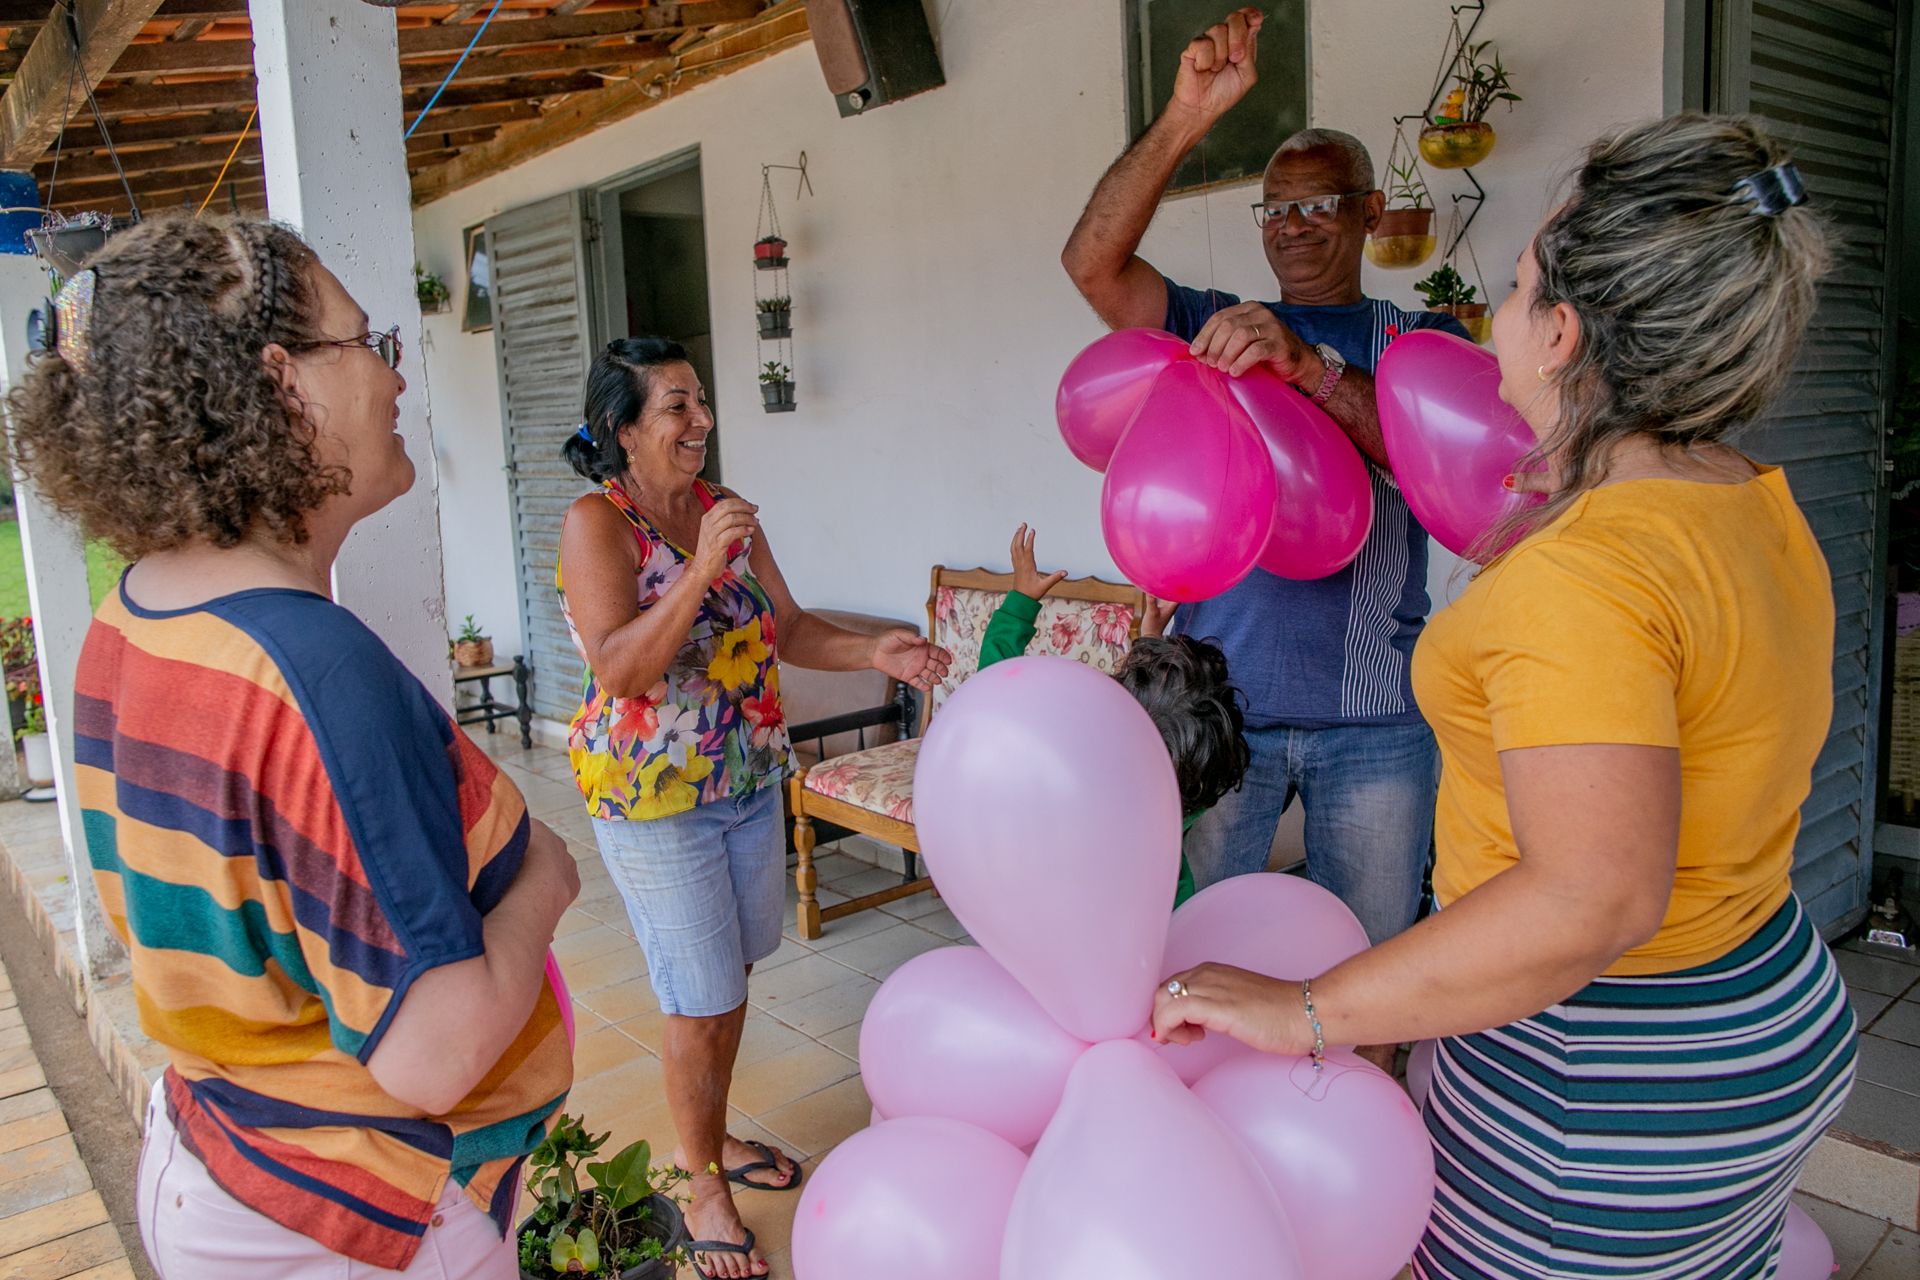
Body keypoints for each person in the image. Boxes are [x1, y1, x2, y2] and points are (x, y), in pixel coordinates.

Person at [1150, 114, 1859, 1279]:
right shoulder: (1742, 498)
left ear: (1565, 331)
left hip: (1602, 1071)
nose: (1492, 322)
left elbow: (1590, 899)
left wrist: (1310, 1008)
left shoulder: (1588, 568)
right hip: (1763, 998)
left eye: (1518, 290)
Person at [7, 216, 580, 1278]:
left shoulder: (134, 619)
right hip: (362, 1216)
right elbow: (434, 1048)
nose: (397, 381)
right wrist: (545, 872)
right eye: (371, 346)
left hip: (225, 1165)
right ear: (284, 384)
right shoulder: (316, 676)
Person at [1062, 7, 1469, 994]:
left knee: (1364, 973)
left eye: (1319, 205)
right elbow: (1092, 265)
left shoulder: (1420, 345)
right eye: (1276, 208)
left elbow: (1433, 472)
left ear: (1373, 213)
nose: (1291, 227)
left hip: (1375, 719)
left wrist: (1309, 369)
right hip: (1219, 712)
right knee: (1199, 963)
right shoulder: (1209, 327)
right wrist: (1184, 120)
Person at [555, 338, 950, 1279]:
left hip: (744, 781)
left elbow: (791, 625)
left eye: (701, 403)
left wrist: (876, 653)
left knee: (732, 971)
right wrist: (696, 570)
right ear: (624, 429)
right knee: (699, 995)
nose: (701, 423)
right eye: (677, 408)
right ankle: (703, 1187)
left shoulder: (724, 513)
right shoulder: (596, 524)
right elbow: (619, 666)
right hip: (654, 799)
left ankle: (715, 1138)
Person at [980, 526, 1246, 907]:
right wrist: (1151, 639)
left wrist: (1021, 601)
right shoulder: (1180, 805)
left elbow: (994, 691)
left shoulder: (1075, 760)